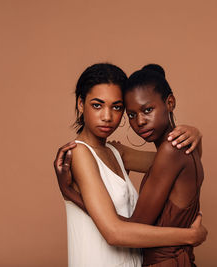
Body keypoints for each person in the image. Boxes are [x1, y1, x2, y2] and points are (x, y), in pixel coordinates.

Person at [54, 63, 207, 267]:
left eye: (116, 107)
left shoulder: (117, 153)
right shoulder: (80, 153)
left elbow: (180, 164)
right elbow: (114, 232)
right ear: (81, 104)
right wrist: (189, 236)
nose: (107, 117)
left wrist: (196, 134)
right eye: (97, 105)